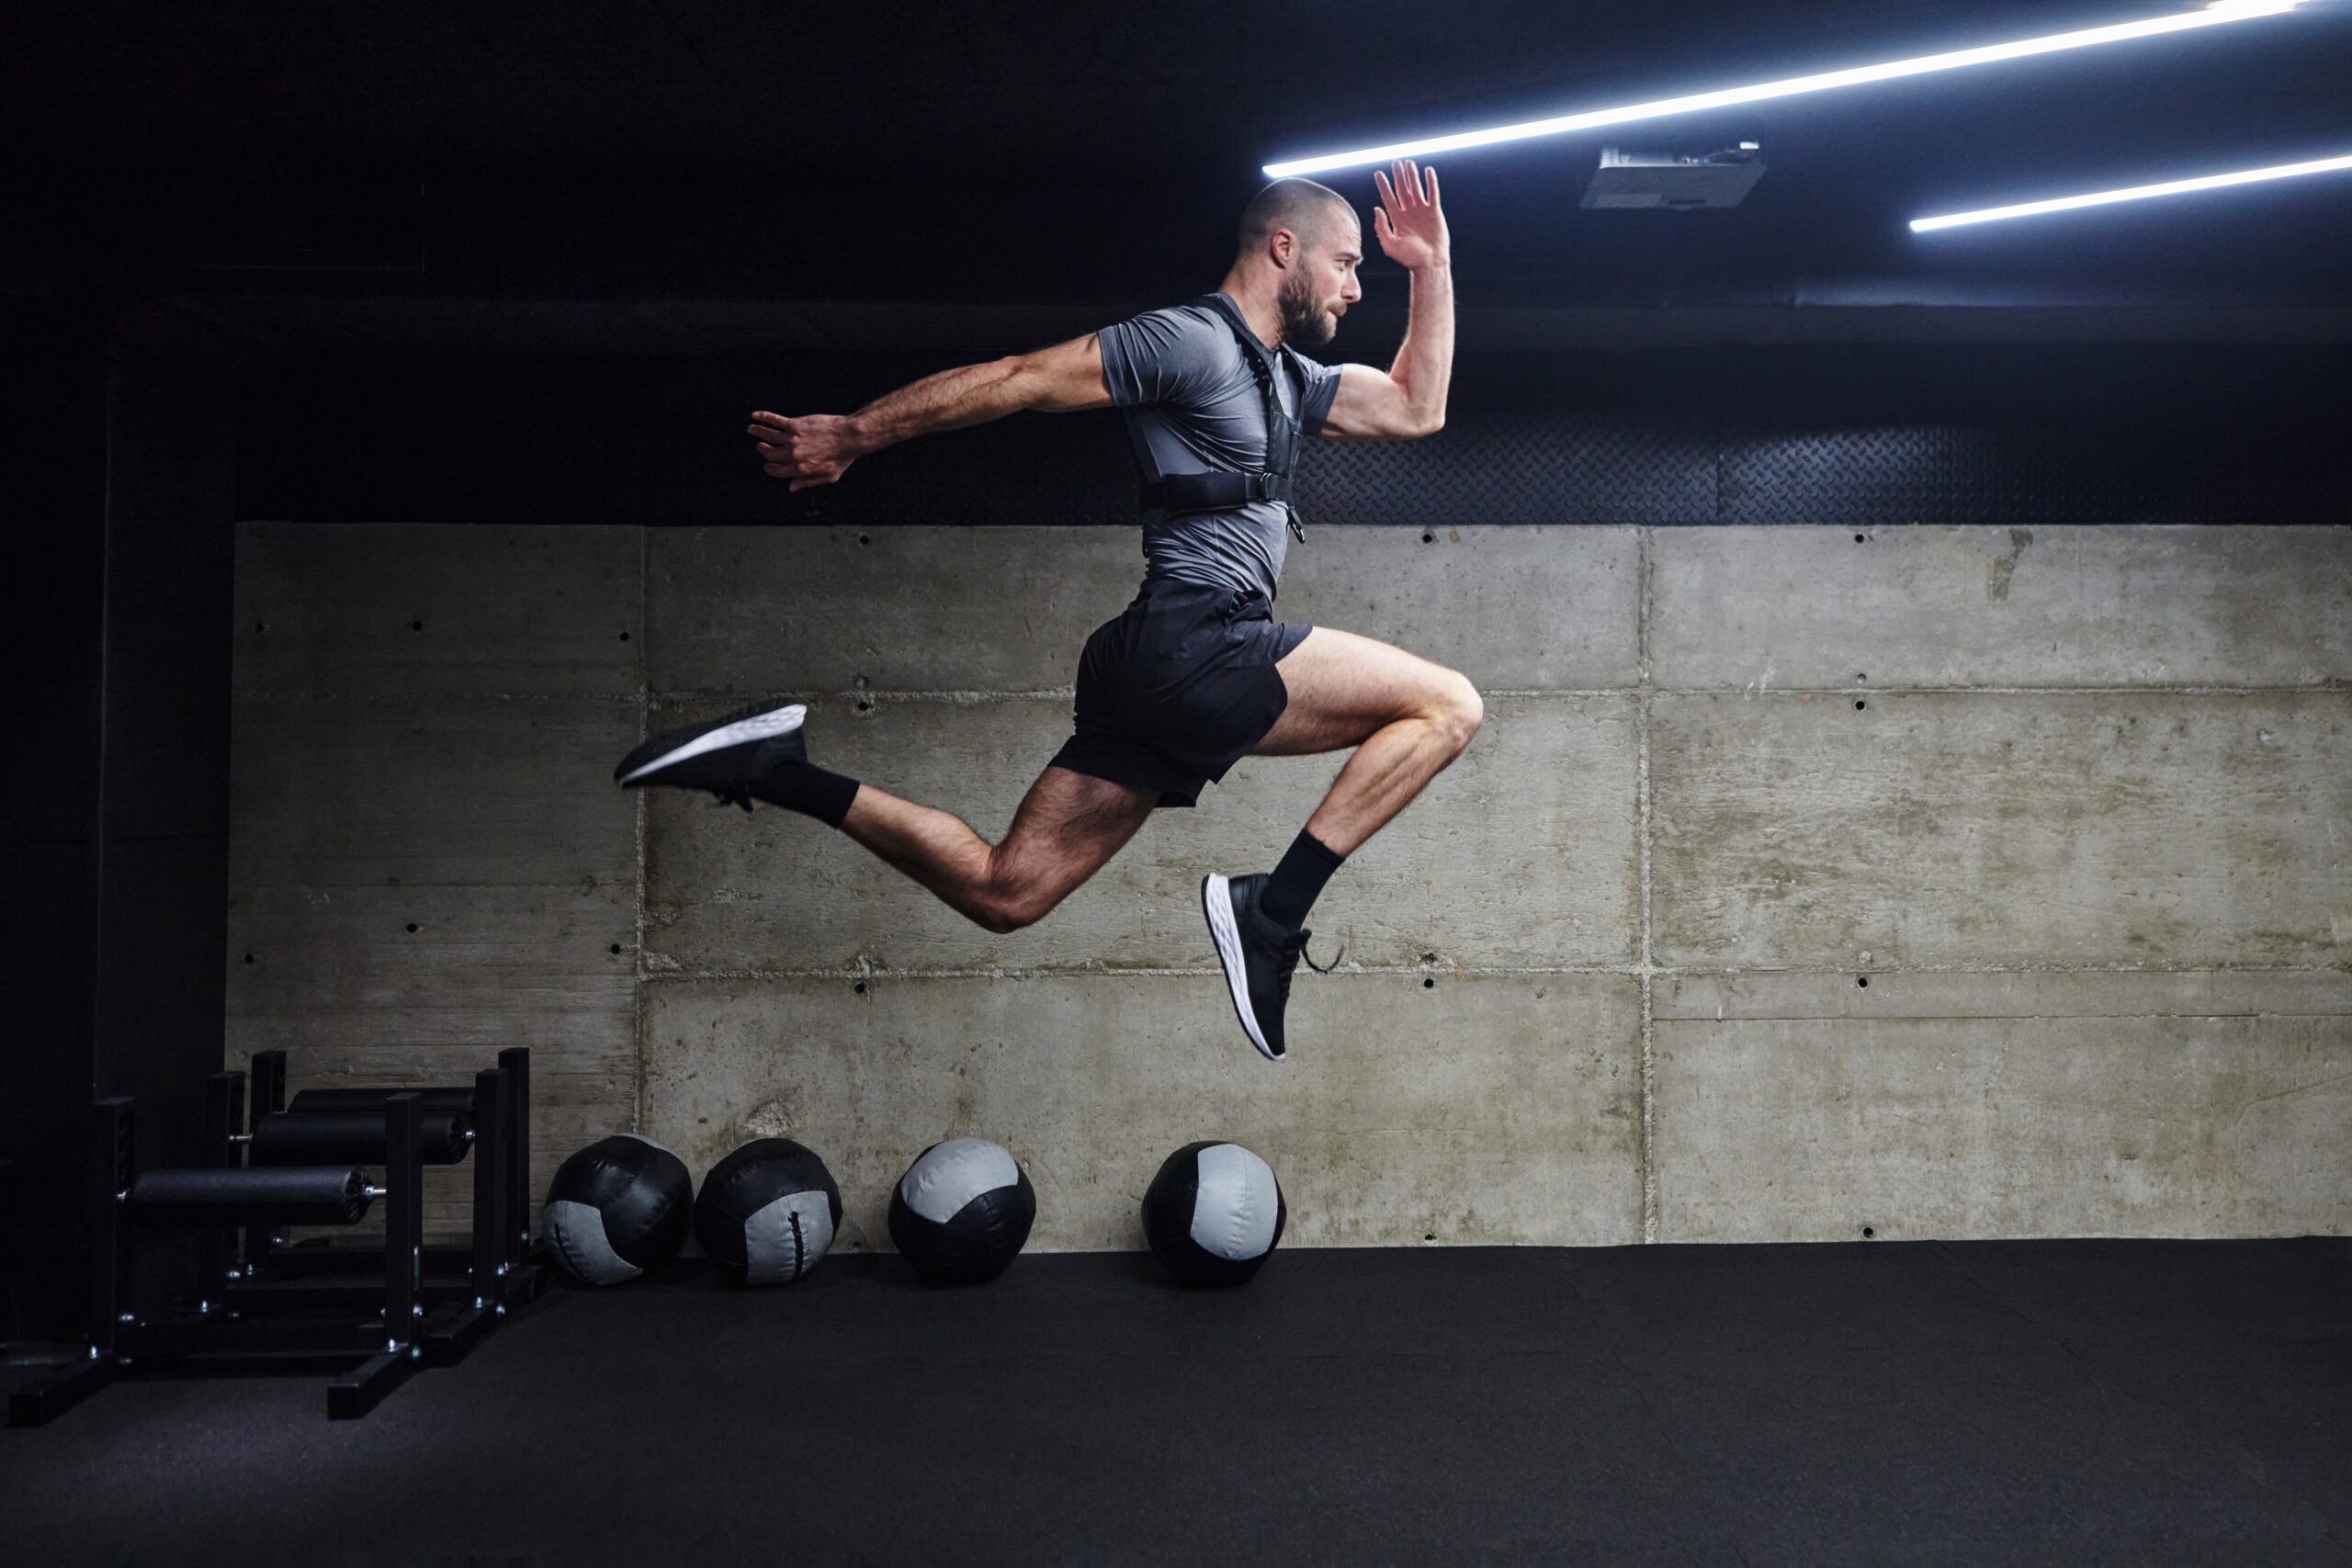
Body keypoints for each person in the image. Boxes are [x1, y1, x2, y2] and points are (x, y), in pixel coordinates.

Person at [615, 159, 1475, 1062]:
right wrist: (857, 433)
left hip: (1152, 665)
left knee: (1006, 892)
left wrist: (1432, 267)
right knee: (1447, 706)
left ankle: (774, 769)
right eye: (1345, 264)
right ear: (1282, 247)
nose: (1350, 288)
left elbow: (1417, 409)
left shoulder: (1287, 379)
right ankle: (1274, 909)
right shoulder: (1189, 342)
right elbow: (1020, 376)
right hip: (1196, 639)